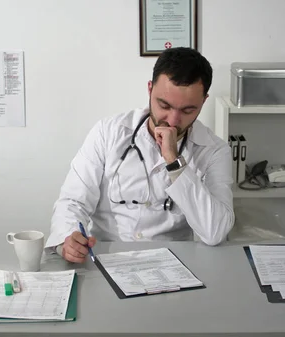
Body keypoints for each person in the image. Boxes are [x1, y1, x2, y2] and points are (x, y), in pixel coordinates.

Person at [44, 47, 234, 263]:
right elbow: (72, 201)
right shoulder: (108, 132)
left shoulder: (214, 151)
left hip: (173, 264)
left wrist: (175, 163)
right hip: (106, 258)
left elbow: (216, 231)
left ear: (203, 101)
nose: (172, 120)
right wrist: (68, 240)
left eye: (187, 110)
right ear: (150, 89)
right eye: (164, 105)